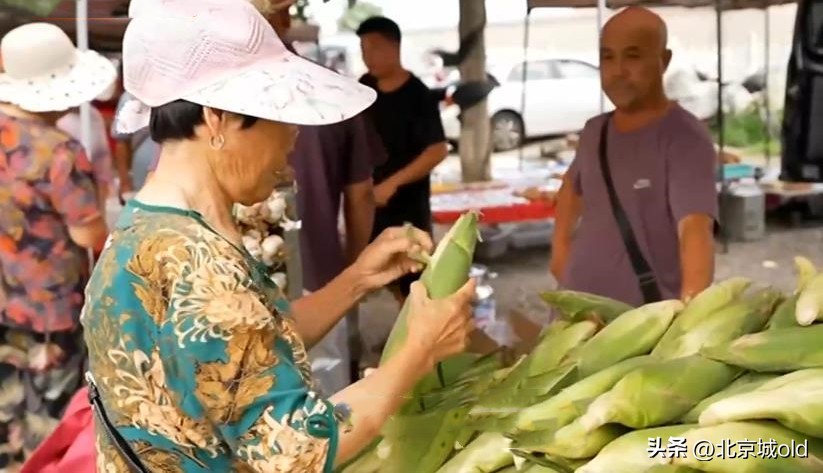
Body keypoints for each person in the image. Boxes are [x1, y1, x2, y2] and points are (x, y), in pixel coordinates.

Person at [82, 2, 476, 472]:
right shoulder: (199, 265)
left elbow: (247, 348)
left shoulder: (148, 224)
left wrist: (356, 279)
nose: (293, 137)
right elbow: (298, 451)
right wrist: (420, 350)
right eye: (280, 117)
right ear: (216, 119)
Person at [0, 22, 113, 468]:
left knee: (6, 419)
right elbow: (90, 235)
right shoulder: (60, 153)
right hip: (51, 315)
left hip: (4, 306)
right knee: (49, 427)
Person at [550, 7, 717, 306]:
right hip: (576, 314)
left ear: (663, 61)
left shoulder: (684, 137)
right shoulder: (594, 131)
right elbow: (571, 189)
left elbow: (694, 228)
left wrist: (691, 313)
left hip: (639, 325)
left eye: (633, 56)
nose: (618, 70)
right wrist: (560, 252)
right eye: (607, 57)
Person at [356, 16, 449, 306]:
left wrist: (392, 184)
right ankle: (403, 335)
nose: (367, 56)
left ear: (395, 47)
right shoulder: (365, 87)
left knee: (414, 280)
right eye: (363, 49)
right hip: (371, 205)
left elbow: (437, 149)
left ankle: (425, 344)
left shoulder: (417, 95)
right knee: (382, 276)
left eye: (374, 48)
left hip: (408, 205)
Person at [57, 104, 116, 205]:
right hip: (74, 182)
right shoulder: (63, 122)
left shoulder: (92, 114)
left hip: (88, 181)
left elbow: (101, 154)